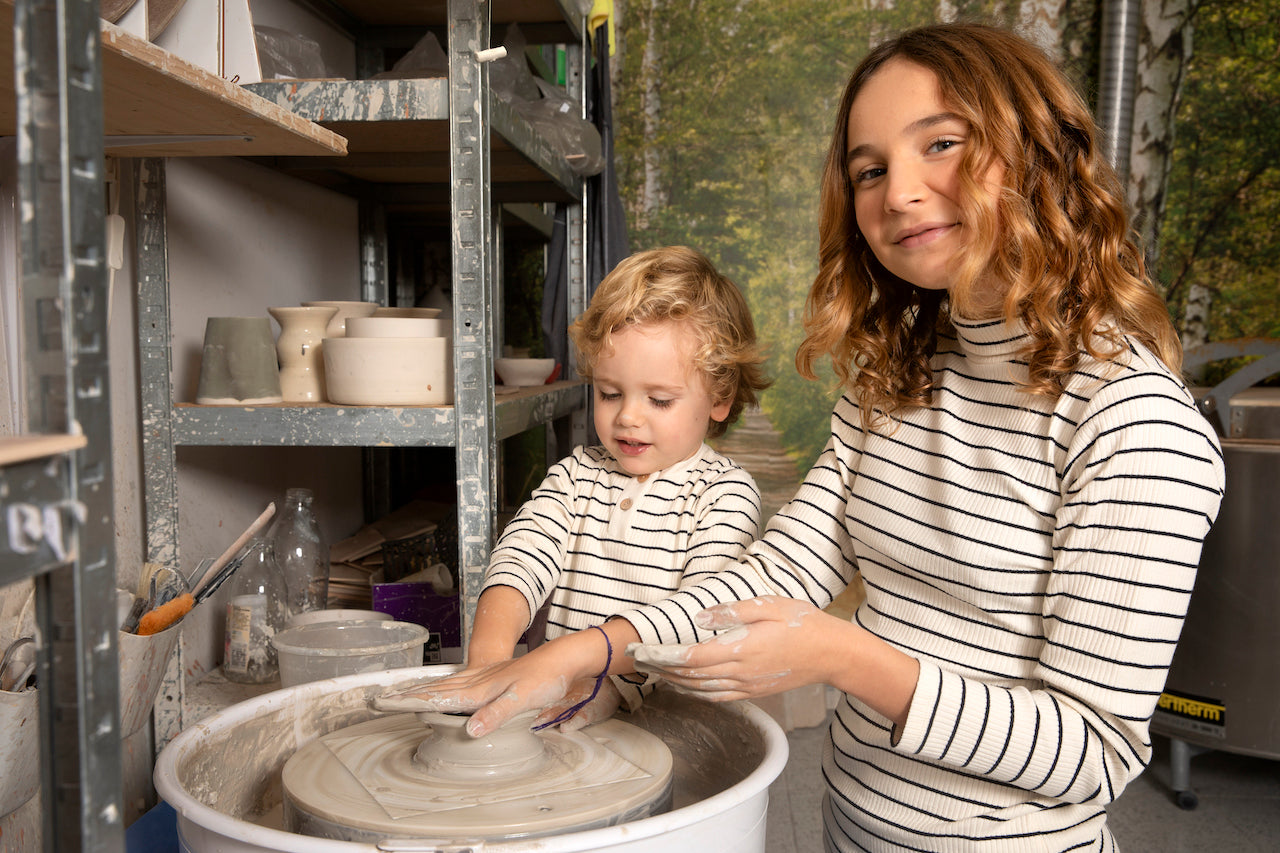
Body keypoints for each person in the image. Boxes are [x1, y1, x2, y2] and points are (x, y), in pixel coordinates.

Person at [403, 23, 1226, 851]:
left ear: (1042, 152)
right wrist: (590, 646)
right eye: (870, 169)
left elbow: (1091, 753)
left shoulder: (1134, 426)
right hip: (850, 830)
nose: (898, 193)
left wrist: (845, 656)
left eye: (941, 143)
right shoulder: (896, 380)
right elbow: (778, 569)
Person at [464, 244, 771, 729]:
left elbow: (700, 616)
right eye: (610, 393)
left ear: (720, 396)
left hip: (674, 725)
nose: (627, 416)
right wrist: (489, 657)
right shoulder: (576, 475)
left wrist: (610, 684)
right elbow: (522, 557)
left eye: (660, 400)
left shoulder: (723, 495)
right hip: (556, 707)